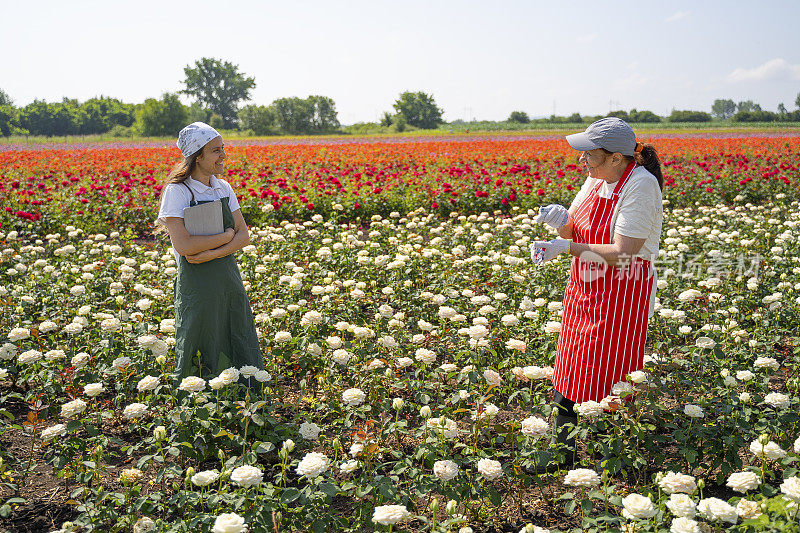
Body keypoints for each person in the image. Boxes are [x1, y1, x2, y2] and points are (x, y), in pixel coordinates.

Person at [529, 117, 663, 473]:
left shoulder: (641, 186)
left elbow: (624, 251)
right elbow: (575, 226)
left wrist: (566, 246)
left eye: (590, 154)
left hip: (623, 289)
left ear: (617, 157)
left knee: (610, 372)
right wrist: (559, 223)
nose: (583, 161)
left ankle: (609, 461)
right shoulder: (595, 179)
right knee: (570, 366)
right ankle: (561, 456)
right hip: (585, 285)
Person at [156, 122, 264, 387]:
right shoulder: (178, 192)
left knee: (236, 332)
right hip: (197, 285)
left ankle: (242, 396)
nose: (224, 156)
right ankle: (200, 401)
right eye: (216, 151)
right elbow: (183, 245)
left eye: (223, 149)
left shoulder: (223, 188)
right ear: (197, 156)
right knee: (198, 336)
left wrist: (210, 253)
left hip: (228, 279)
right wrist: (225, 237)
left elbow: (244, 236)